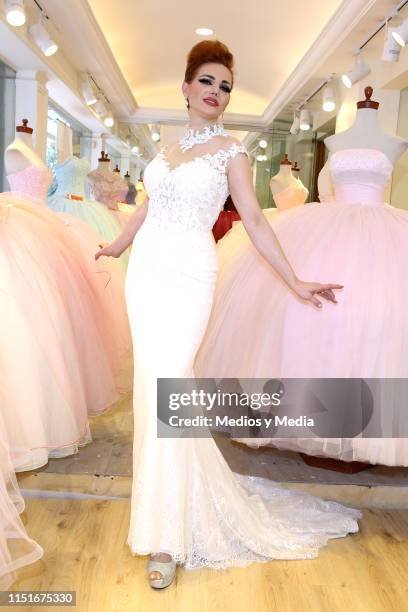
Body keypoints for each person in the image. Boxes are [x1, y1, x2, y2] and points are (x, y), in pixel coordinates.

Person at [95, 40, 361, 590]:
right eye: (208, 82)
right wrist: (119, 244)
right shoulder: (165, 151)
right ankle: (162, 512)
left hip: (191, 274)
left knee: (170, 383)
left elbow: (257, 225)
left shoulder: (231, 152)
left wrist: (295, 281)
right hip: (146, 275)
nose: (217, 93)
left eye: (225, 86)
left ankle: (167, 538)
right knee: (152, 389)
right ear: (187, 87)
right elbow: (148, 204)